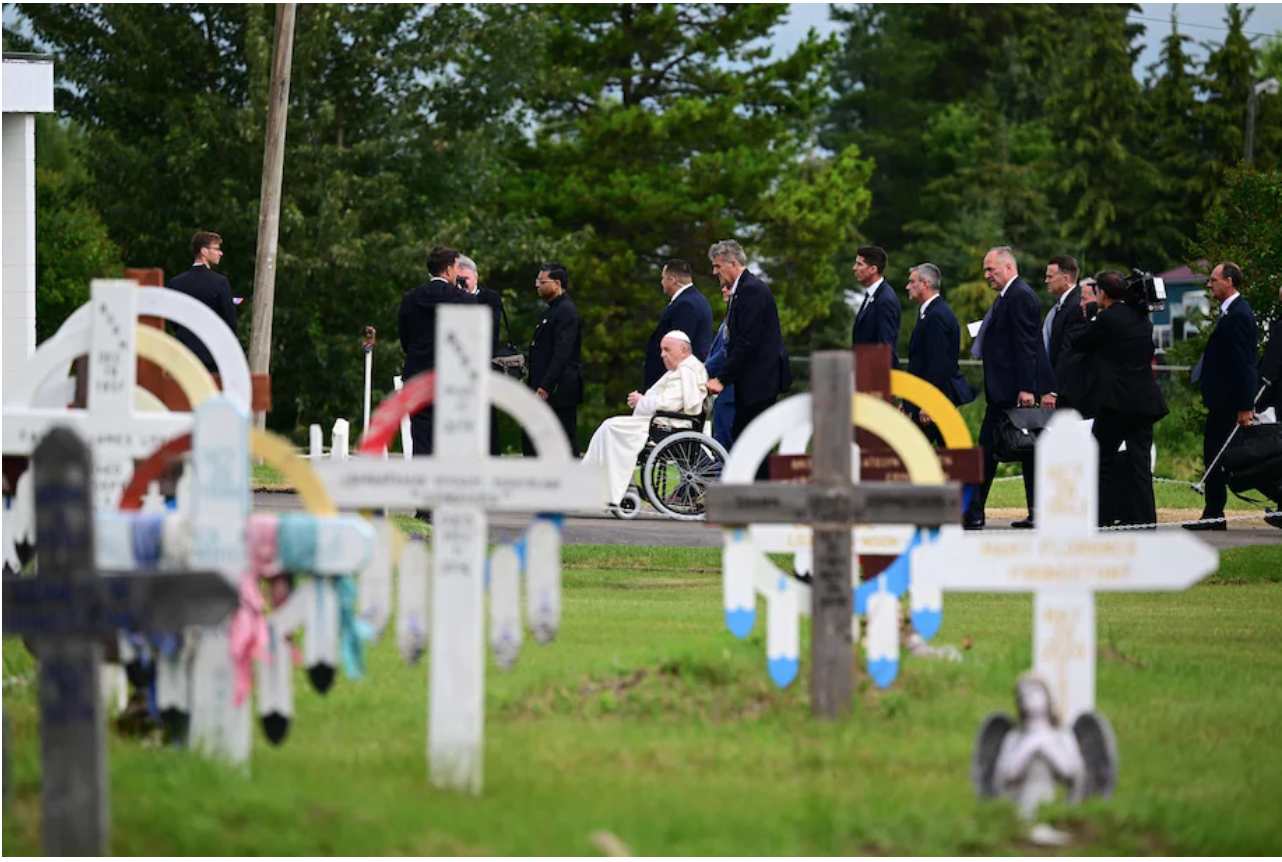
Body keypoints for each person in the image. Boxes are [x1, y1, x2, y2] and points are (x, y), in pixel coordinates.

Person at [964, 246, 1052, 530]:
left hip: (1012, 393)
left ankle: (975, 512)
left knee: (1003, 450)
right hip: (1002, 392)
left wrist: (1026, 388)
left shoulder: (1020, 296)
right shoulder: (1008, 296)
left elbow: (1026, 346)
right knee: (1018, 451)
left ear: (1008, 268)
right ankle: (981, 511)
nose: (987, 275)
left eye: (991, 269)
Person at [1071, 271, 1168, 528]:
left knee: (1101, 459)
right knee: (1140, 461)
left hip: (1115, 402)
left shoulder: (1107, 319)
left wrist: (1089, 317)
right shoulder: (1143, 319)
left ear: (1102, 293)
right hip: (1144, 401)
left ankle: (1101, 517)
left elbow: (1080, 343)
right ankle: (1145, 518)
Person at [584, 331, 708, 506]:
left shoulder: (686, 370)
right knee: (608, 427)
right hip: (661, 422)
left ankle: (607, 490)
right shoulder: (682, 368)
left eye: (667, 350)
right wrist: (643, 400)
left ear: (683, 350)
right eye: (662, 350)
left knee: (611, 427)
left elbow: (668, 403)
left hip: (667, 426)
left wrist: (641, 401)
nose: (662, 354)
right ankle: (597, 488)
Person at [704, 240, 790, 471]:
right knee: (746, 438)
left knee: (753, 440)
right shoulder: (742, 290)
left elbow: (746, 342)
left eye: (718, 266)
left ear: (733, 263)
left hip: (760, 380)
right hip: (752, 380)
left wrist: (721, 378)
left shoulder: (751, 290)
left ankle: (763, 489)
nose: (715, 272)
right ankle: (758, 488)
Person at [1185, 262, 1258, 531]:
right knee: (1214, 454)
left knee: (1223, 456)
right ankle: (1213, 513)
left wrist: (1245, 405)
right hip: (1221, 400)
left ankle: (1214, 514)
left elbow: (1245, 363)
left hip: (1229, 402)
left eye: (1213, 280)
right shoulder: (1229, 312)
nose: (1209, 284)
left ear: (1228, 281)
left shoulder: (1239, 314)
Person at [398, 246, 478, 464]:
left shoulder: (410, 299)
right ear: (449, 270)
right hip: (453, 378)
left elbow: (405, 338)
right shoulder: (466, 301)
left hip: (418, 375)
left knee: (421, 436)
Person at [905, 262, 973, 446]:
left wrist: (930, 403)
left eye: (912, 282)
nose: (907, 287)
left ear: (925, 284)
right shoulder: (930, 313)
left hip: (932, 401)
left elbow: (939, 364)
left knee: (918, 453)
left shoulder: (936, 316)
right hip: (928, 399)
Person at [522, 262, 584, 457]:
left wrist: (546, 386)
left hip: (558, 390)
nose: (537, 285)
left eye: (542, 281)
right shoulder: (551, 310)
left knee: (563, 439)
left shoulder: (566, 311)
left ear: (557, 283)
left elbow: (562, 352)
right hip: (545, 386)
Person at [167, 231, 238, 373]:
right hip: (213, 355)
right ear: (204, 251)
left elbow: (172, 319)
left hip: (184, 354)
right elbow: (230, 321)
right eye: (217, 249)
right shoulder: (220, 283)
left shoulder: (176, 283)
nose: (220, 253)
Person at [458, 254, 507, 455]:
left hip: (484, 365)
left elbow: (490, 331)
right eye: (459, 279)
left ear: (475, 277)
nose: (462, 284)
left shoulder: (489, 298)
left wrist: (467, 299)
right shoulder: (451, 297)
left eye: (466, 279)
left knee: (487, 419)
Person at [643, 259, 713, 388]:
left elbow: (677, 349)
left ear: (672, 280)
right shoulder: (696, 299)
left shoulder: (686, 304)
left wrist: (664, 385)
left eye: (663, 278)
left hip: (676, 382)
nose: (661, 282)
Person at [1040, 256, 1088, 412]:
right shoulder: (1063, 306)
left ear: (1065, 278)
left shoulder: (1075, 307)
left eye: (1050, 277)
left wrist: (1053, 390)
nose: (1046, 281)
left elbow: (1068, 352)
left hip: (1068, 393)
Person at [850, 245, 901, 369]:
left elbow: (885, 346)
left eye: (859, 264)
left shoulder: (885, 300)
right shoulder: (872, 296)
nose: (854, 268)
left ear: (873, 269)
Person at [704, 278, 736, 451]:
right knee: (720, 444)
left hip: (731, 393)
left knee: (726, 445)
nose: (723, 289)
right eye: (723, 286)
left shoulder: (735, 321)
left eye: (728, 287)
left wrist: (702, 370)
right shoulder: (728, 319)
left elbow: (724, 353)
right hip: (723, 394)